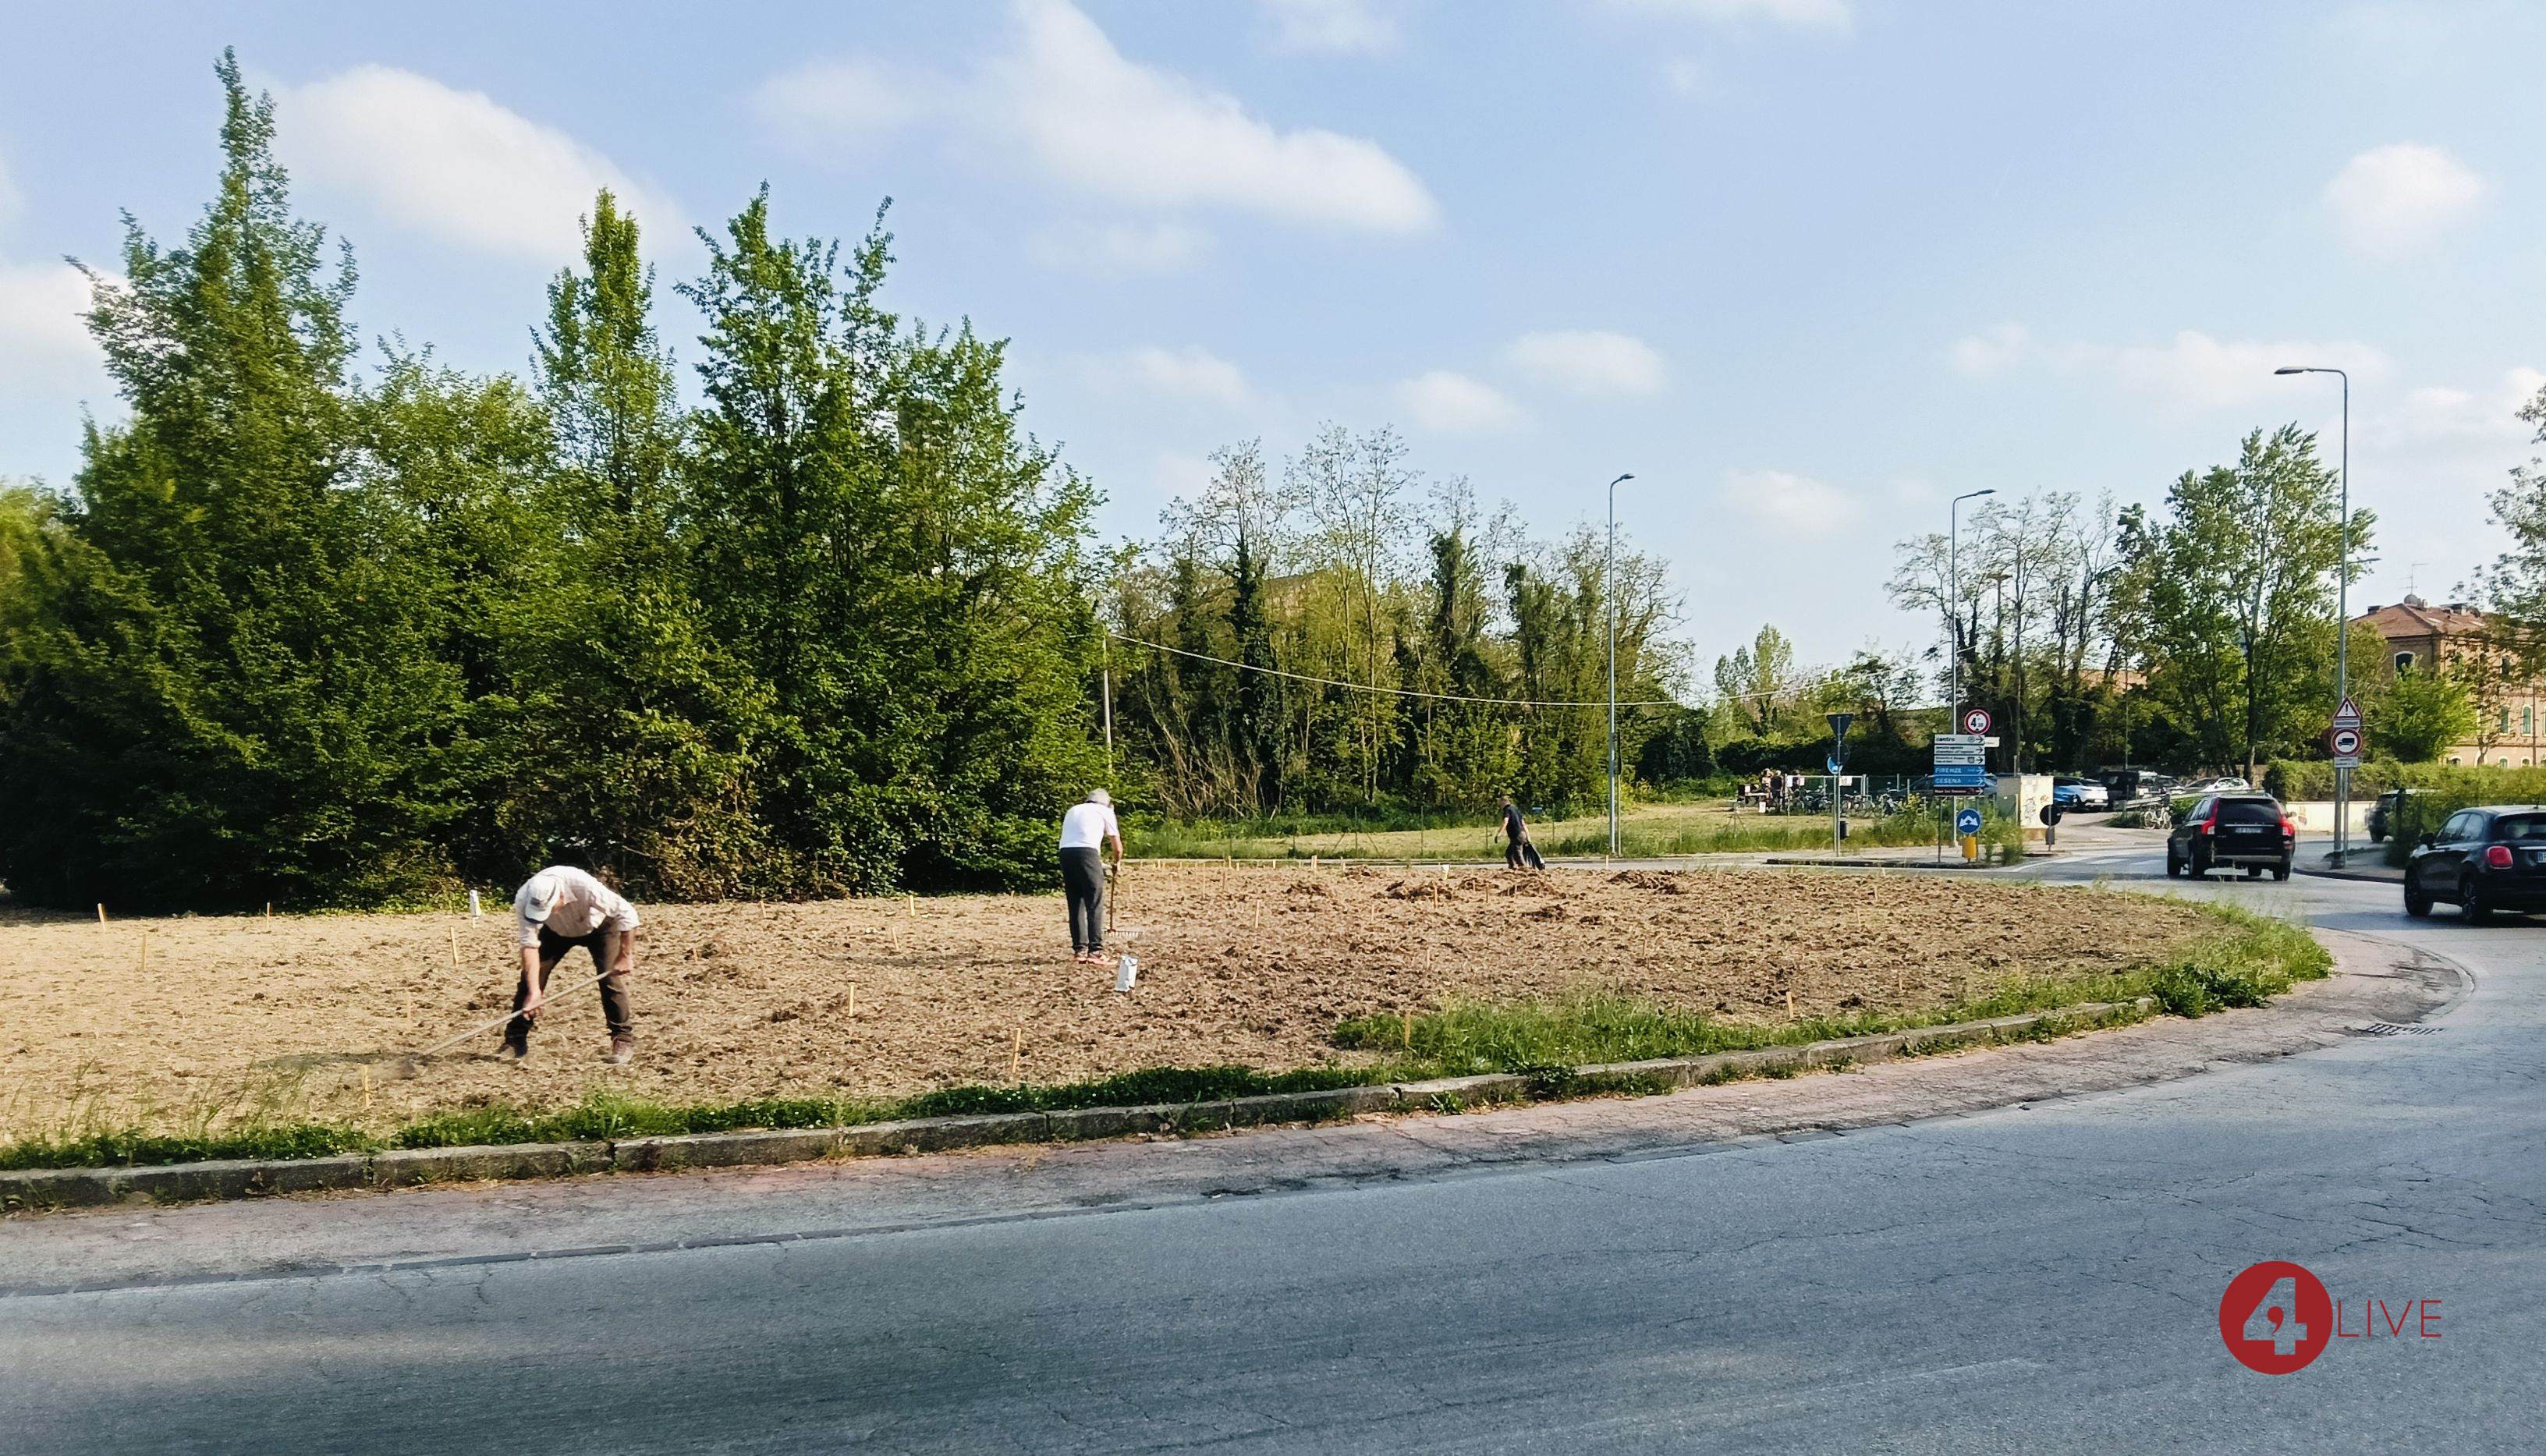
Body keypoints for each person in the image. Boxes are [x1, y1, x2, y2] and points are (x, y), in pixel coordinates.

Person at [503, 864, 641, 1064]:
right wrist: (535, 992)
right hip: (555, 932)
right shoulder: (524, 898)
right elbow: (529, 946)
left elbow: (627, 913)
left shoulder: (583, 885)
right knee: (530, 980)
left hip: (600, 927)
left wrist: (625, 955)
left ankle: (623, 1040)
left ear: (560, 896)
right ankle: (515, 1041)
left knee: (610, 978)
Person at [1058, 788, 1124, 964]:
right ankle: (1095, 951)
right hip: (1088, 853)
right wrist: (1116, 864)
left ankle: (1079, 950)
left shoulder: (1073, 810)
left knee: (1075, 901)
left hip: (1065, 854)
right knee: (1094, 901)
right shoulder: (1105, 812)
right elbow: (1117, 847)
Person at [1500, 794, 1538, 870]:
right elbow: (1523, 823)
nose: (1500, 805)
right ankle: (1512, 867)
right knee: (1509, 853)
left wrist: (1499, 833)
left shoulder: (1507, 810)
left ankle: (1525, 869)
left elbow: (1505, 821)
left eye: (1500, 802)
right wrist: (1528, 835)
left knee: (1518, 854)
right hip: (1522, 834)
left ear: (1504, 802)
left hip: (1516, 836)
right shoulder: (1516, 809)